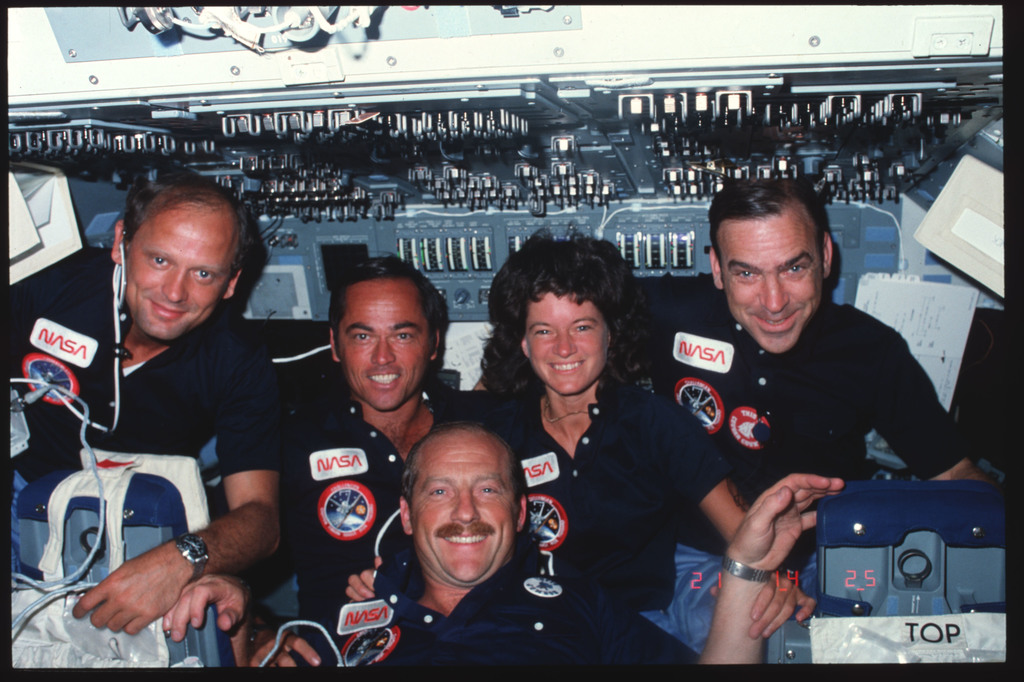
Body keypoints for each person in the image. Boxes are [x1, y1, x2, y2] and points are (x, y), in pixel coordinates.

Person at [163, 422, 844, 665]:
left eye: (487, 490)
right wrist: (241, 622)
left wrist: (749, 565)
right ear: (404, 513)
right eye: (439, 492)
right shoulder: (347, 618)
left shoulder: (575, 599)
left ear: (520, 513)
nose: (465, 513)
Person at [642, 177, 992, 595]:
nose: (774, 302)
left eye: (794, 267)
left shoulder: (870, 350)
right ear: (718, 270)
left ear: (825, 257)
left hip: (819, 559)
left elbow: (952, 470)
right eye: (747, 273)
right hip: (696, 557)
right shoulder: (669, 312)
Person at [477, 233, 808, 651]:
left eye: (582, 327)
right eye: (544, 331)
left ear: (609, 335)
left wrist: (775, 583)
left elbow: (740, 528)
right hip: (541, 625)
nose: (564, 348)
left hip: (646, 621)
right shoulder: (497, 436)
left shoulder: (654, 421)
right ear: (524, 344)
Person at [10, 172, 281, 635]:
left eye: (203, 274)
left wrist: (181, 559)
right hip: (23, 490)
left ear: (231, 283)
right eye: (159, 259)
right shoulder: (48, 289)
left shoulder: (238, 361)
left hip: (136, 519)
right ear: (121, 243)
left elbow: (261, 519)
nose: (174, 293)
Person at [275, 257, 501, 641]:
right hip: (344, 651)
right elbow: (239, 535)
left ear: (433, 342)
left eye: (403, 335)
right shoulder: (291, 442)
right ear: (334, 344)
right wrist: (253, 629)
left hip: (479, 642)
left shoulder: (488, 427)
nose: (383, 358)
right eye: (362, 336)